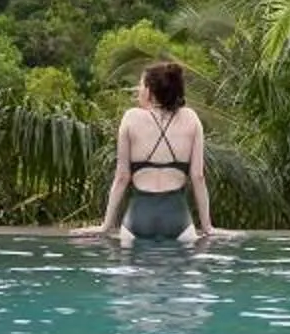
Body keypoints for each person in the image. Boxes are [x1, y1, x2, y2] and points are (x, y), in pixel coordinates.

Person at [88, 60, 215, 245]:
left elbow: (122, 177)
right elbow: (198, 177)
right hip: (178, 220)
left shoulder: (131, 118)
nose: (138, 90)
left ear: (149, 91)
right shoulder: (191, 119)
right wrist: (208, 228)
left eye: (140, 86)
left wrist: (105, 226)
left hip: (138, 219)